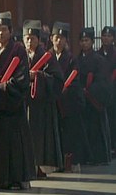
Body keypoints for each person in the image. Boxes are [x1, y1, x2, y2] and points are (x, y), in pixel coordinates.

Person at [0, 11, 35, 189]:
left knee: (13, 146)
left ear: (10, 31)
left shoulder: (18, 51)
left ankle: (14, 179)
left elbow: (21, 80)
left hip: (11, 109)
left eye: (3, 29)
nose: (0, 33)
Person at [22, 19, 64, 177]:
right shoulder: (20, 56)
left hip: (42, 107)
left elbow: (57, 80)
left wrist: (38, 76)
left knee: (41, 138)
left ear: (39, 40)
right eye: (27, 38)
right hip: (25, 104)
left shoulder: (47, 57)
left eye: (32, 38)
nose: (29, 42)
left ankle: (41, 167)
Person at [49, 22, 90, 170]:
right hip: (53, 101)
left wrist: (64, 89)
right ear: (51, 38)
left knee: (70, 134)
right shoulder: (47, 56)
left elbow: (75, 81)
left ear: (66, 40)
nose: (58, 41)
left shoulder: (72, 59)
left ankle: (71, 162)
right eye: (56, 38)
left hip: (68, 102)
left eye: (62, 38)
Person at [78, 27, 112, 165]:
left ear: (92, 42)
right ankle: (85, 157)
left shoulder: (99, 60)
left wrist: (89, 90)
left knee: (96, 130)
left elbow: (103, 81)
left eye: (86, 40)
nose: (84, 43)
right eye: (82, 40)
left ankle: (98, 157)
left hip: (93, 100)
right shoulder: (77, 59)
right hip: (81, 100)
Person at [98, 26, 116, 149]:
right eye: (104, 35)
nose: (106, 38)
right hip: (101, 92)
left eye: (109, 36)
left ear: (113, 38)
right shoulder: (97, 54)